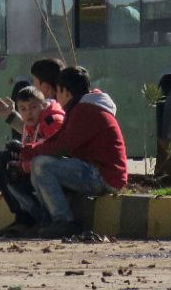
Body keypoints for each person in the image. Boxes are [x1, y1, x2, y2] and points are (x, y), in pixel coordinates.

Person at [9, 66, 128, 238]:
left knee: (42, 165)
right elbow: (59, 139)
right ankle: (48, 220)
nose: (56, 97)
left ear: (65, 91)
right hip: (94, 171)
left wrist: (29, 152)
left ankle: (65, 221)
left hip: (104, 176)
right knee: (38, 163)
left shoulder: (84, 110)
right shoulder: (82, 107)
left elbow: (62, 146)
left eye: (58, 92)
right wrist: (27, 150)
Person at [0, 58, 65, 236]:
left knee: (7, 162)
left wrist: (24, 162)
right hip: (38, 161)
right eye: (24, 108)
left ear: (44, 88)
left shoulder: (54, 113)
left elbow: (50, 142)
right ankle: (23, 218)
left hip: (52, 167)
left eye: (34, 82)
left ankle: (31, 219)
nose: (33, 85)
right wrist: (9, 115)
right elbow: (31, 128)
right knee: (0, 159)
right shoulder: (43, 107)